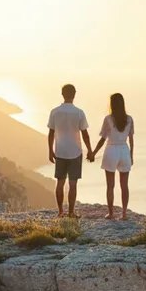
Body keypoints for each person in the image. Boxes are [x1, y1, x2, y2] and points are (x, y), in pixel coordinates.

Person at [47, 84, 93, 217]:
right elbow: (85, 134)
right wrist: (90, 150)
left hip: (60, 151)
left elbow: (51, 133)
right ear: (75, 94)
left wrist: (50, 150)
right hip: (75, 152)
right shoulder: (79, 112)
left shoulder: (55, 112)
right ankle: (71, 212)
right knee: (73, 184)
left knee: (60, 183)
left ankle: (61, 211)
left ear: (62, 94)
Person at [89, 93, 134, 220]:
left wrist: (93, 153)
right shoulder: (129, 119)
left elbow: (102, 139)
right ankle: (124, 214)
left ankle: (111, 213)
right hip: (124, 150)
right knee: (124, 185)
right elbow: (131, 139)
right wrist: (131, 155)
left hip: (111, 150)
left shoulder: (108, 119)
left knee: (110, 185)